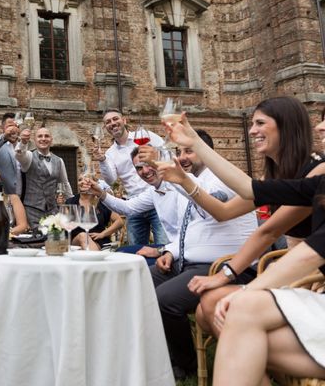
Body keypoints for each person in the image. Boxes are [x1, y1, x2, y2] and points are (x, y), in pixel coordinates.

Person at [162, 114, 325, 385]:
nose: (319, 126)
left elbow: (300, 245)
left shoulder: (317, 169)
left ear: (286, 126)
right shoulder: (313, 181)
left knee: (237, 313)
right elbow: (247, 189)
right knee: (233, 324)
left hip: (307, 279)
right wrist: (194, 146)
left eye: (260, 123)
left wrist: (235, 281)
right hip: (303, 275)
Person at [147, 129, 258, 380]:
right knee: (143, 279)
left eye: (188, 151)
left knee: (165, 299)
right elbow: (190, 231)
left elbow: (212, 212)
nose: (182, 157)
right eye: (179, 152)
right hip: (189, 263)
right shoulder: (195, 183)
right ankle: (160, 352)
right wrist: (169, 251)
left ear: (207, 152)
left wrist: (182, 182)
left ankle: (184, 364)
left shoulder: (219, 179)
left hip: (226, 266)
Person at [93, 108, 167, 245]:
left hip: (156, 197)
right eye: (108, 122)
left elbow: (166, 152)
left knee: (163, 245)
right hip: (133, 202)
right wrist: (102, 160)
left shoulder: (143, 135)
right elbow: (111, 180)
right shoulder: (110, 153)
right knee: (135, 249)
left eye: (115, 119)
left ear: (124, 120)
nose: (112, 123)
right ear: (106, 128)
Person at [15, 127, 73, 227]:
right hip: (31, 211)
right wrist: (23, 142)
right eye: (40, 136)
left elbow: (65, 184)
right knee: (34, 240)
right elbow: (19, 154)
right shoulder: (29, 156)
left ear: (51, 140)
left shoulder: (59, 160)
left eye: (47, 136)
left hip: (53, 211)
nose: (43, 138)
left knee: (53, 239)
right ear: (35, 139)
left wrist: (72, 204)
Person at [0, 113, 29, 231]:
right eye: (10, 125)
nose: (13, 128)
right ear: (3, 128)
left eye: (16, 125)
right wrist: (5, 136)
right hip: (0, 201)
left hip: (21, 203)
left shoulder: (24, 147)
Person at [64, 174, 122, 250]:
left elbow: (119, 221)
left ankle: (93, 258)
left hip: (99, 241)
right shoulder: (70, 202)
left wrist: (103, 234)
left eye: (86, 180)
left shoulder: (102, 202)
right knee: (83, 236)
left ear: (94, 184)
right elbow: (65, 224)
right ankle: (96, 260)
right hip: (76, 240)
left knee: (86, 246)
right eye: (80, 180)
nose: (82, 182)